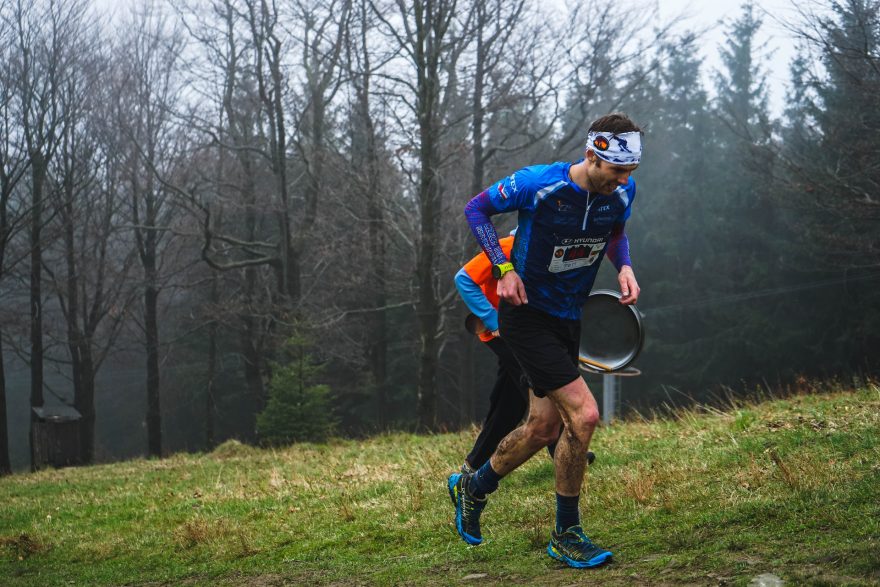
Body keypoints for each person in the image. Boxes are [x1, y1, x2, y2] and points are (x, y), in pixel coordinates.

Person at [448, 113, 642, 569]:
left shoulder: (621, 191)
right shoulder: (539, 184)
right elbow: (476, 209)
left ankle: (472, 487)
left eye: (630, 171)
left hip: (567, 318)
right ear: (592, 156)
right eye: (616, 170)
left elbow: (615, 231)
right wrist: (503, 268)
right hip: (526, 318)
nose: (624, 181)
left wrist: (626, 265)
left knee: (543, 428)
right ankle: (566, 534)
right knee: (585, 415)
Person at [454, 236, 595, 474]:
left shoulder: (549, 254)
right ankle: (562, 449)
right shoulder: (508, 248)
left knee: (509, 404)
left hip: (526, 330)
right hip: (503, 333)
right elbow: (463, 279)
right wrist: (492, 320)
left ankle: (473, 465)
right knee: (544, 389)